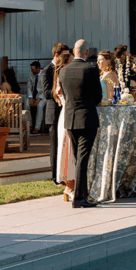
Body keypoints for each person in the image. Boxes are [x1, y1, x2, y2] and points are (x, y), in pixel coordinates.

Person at [57, 39, 103, 208]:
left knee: (78, 158)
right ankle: (79, 197)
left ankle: (83, 193)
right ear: (87, 52)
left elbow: (65, 95)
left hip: (70, 118)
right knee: (83, 159)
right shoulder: (91, 69)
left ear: (73, 51)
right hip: (86, 118)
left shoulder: (63, 70)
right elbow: (98, 97)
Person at [41, 42, 70, 182]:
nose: (67, 58)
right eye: (65, 55)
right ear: (57, 55)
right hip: (54, 113)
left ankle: (65, 174)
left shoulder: (66, 68)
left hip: (66, 111)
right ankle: (55, 177)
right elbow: (46, 93)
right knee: (55, 145)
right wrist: (59, 92)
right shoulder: (47, 70)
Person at [52, 50, 76, 201]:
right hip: (67, 114)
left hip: (67, 113)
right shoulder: (62, 77)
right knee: (68, 150)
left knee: (71, 150)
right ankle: (69, 185)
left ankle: (72, 185)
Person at [27, 61, 42, 133]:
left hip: (42, 96)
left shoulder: (43, 75)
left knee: (40, 106)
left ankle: (37, 127)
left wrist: (39, 98)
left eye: (33, 69)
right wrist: (30, 97)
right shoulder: (30, 75)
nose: (31, 71)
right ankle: (29, 125)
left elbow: (45, 88)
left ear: (38, 68)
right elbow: (29, 87)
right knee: (27, 104)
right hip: (33, 95)